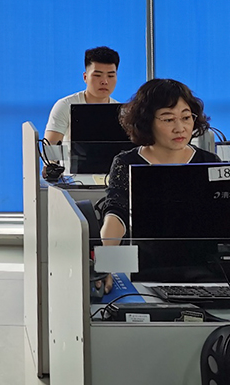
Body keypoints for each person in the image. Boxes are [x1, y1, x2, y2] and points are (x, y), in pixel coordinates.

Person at [99, 78, 220, 292]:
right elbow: (116, 213)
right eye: (168, 119)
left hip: (206, 273)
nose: (180, 128)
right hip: (145, 271)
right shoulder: (127, 162)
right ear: (147, 122)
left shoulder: (208, 162)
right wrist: (106, 264)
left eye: (186, 117)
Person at [42, 46, 119, 177]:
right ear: (85, 77)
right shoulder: (65, 105)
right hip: (73, 180)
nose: (105, 81)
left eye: (111, 76)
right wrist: (52, 168)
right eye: (97, 75)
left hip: (110, 180)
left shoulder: (121, 111)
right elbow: (51, 146)